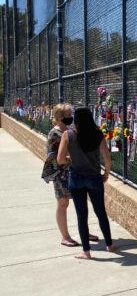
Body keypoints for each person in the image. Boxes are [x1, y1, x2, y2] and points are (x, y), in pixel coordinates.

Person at [57, 107, 115, 260]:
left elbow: (60, 160)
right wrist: (106, 174)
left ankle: (86, 251)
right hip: (94, 177)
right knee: (100, 212)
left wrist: (71, 159)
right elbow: (107, 158)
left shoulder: (68, 135)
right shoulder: (97, 134)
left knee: (81, 215)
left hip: (76, 178)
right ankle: (109, 244)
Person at [46, 104, 95, 247]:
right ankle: (65, 236)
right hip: (61, 173)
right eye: (68, 115)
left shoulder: (70, 130)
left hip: (75, 172)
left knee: (82, 202)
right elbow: (52, 157)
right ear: (60, 117)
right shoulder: (54, 134)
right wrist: (70, 158)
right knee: (63, 203)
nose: (71, 117)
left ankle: (84, 231)